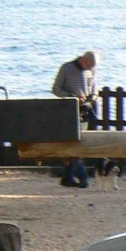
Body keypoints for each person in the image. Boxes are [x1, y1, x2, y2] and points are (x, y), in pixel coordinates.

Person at [51, 51, 99, 187]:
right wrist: (72, 97)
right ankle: (83, 176)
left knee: (79, 144)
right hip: (68, 112)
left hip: (85, 113)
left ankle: (68, 177)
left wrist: (92, 98)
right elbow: (56, 89)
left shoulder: (91, 71)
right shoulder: (66, 68)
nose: (90, 69)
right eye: (89, 65)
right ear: (84, 60)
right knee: (73, 144)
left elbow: (95, 90)